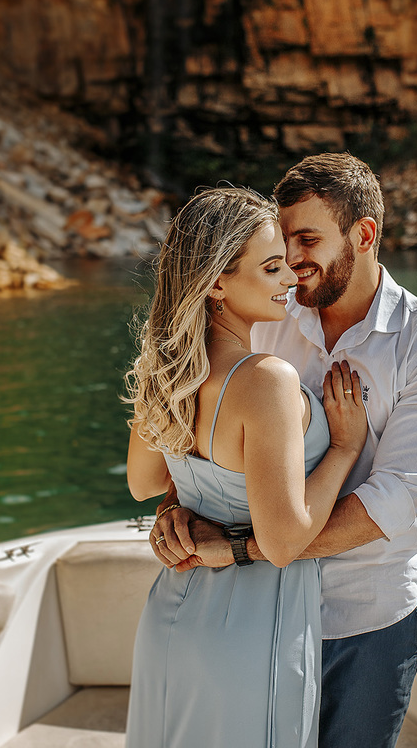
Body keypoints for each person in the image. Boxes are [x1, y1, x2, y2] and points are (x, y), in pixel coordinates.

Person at [150, 153, 417, 748]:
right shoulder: (265, 309)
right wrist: (177, 506)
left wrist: (243, 548)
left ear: (365, 234)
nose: (292, 260)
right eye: (285, 239)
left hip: (363, 619)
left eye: (308, 238)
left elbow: (392, 501)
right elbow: (207, 421)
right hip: (257, 608)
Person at [122, 186, 369, 748]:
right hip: (253, 633)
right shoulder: (267, 380)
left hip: (172, 616)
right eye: (272, 266)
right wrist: (343, 450)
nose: (290, 279)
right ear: (216, 283)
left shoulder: (165, 369)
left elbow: (145, 484)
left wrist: (184, 504)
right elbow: (283, 542)